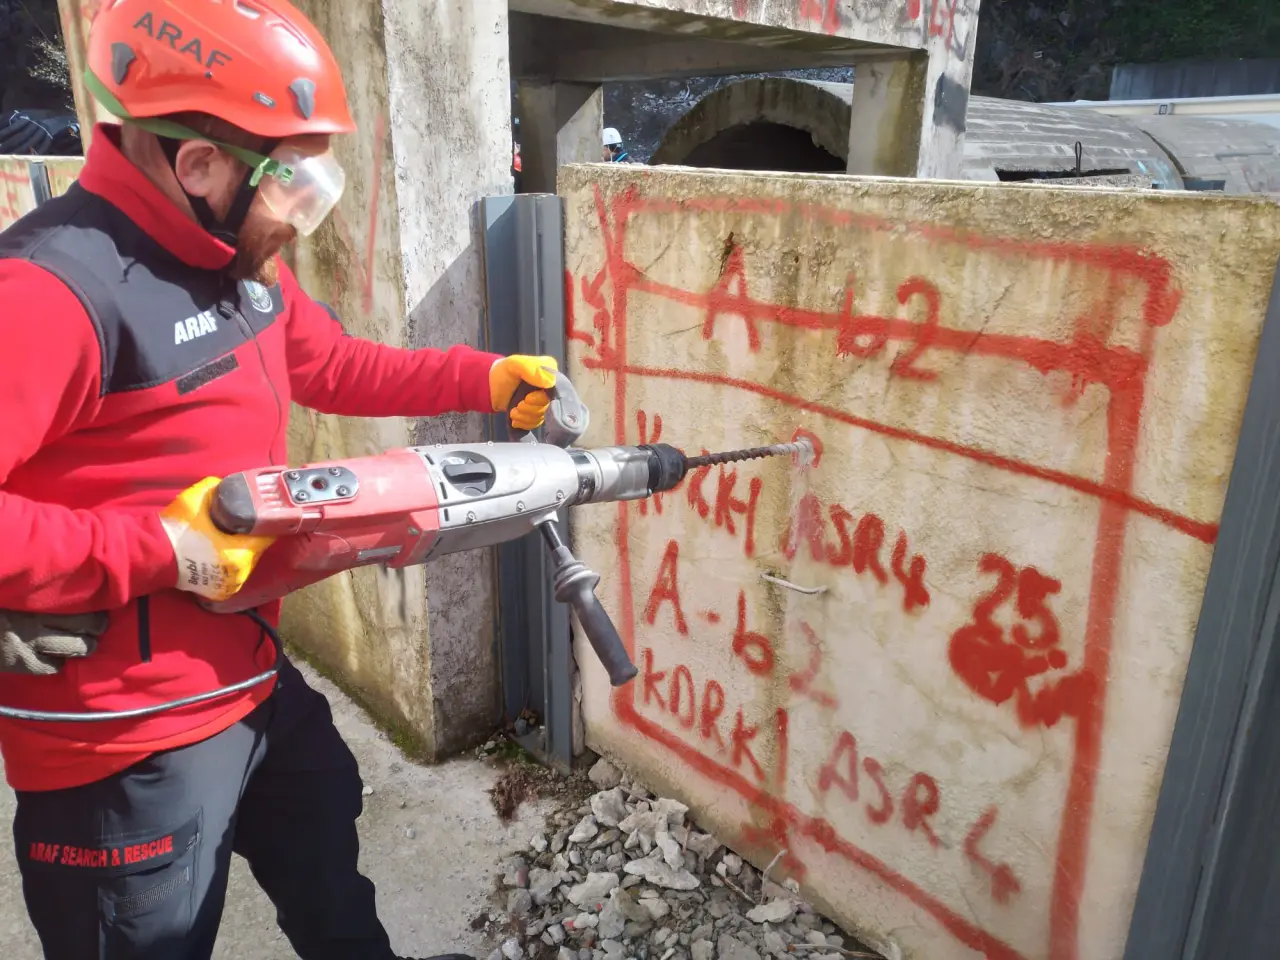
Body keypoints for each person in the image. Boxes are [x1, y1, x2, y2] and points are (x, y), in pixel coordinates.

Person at [0, 1, 560, 957]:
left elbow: (330, 363)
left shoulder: (232, 254)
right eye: (291, 178)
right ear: (198, 164)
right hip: (124, 742)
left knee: (326, 857)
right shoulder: (50, 293)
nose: (302, 215)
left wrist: (485, 377)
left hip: (250, 670)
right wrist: (159, 548)